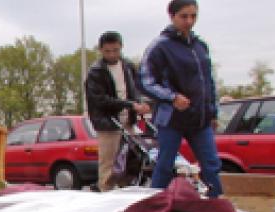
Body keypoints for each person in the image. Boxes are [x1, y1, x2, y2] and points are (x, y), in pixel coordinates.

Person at [139, 0, 223, 197]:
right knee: (165, 164)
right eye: (184, 16)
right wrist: (171, 97)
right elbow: (145, 81)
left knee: (211, 163)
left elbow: (209, 82)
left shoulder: (200, 46)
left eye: (193, 16)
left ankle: (215, 203)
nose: (189, 21)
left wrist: (213, 111)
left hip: (200, 119)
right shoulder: (160, 47)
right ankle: (156, 203)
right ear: (172, 16)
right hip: (172, 119)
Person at [85, 31, 151, 191]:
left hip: (129, 122)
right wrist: (129, 104)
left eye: (115, 50)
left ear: (121, 47)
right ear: (100, 50)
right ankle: (106, 194)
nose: (112, 54)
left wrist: (142, 104)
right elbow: (100, 100)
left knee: (129, 163)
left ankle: (126, 193)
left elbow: (137, 89)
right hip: (108, 124)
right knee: (108, 165)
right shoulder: (96, 72)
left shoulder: (128, 66)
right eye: (108, 51)